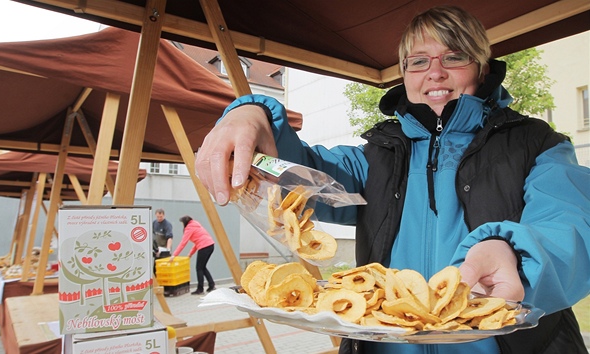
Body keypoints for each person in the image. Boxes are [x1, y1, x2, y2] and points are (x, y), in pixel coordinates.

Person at [193, 5, 590, 354]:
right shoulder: (374, 157)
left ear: (482, 67)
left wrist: (516, 257)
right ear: (404, 74)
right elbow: (298, 174)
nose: (434, 72)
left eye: (454, 56)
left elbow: (572, 226)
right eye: (418, 62)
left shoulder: (537, 143)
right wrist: (251, 113)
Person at [169, 216, 216, 295]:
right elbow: (198, 242)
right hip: (210, 245)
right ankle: (211, 285)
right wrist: (190, 253)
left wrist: (174, 255)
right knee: (203, 267)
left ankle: (200, 289)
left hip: (204, 247)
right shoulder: (196, 226)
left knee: (199, 268)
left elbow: (183, 243)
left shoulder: (189, 228)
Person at [152, 208, 174, 296]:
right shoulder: (154, 223)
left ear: (163, 215)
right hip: (157, 249)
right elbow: (153, 235)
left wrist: (168, 249)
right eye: (158, 216)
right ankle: (157, 287)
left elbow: (170, 237)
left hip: (164, 249)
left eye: (161, 217)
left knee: (165, 271)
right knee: (155, 270)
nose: (159, 218)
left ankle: (167, 289)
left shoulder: (167, 225)